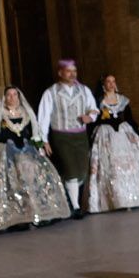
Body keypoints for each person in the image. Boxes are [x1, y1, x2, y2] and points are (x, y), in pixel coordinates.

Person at [0, 86, 71, 231]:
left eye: (15, 95)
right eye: (9, 95)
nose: (12, 98)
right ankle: (17, 217)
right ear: (4, 97)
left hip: (27, 150)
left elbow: (34, 133)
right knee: (12, 181)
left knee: (37, 177)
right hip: (6, 152)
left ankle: (36, 213)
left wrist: (40, 146)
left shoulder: (26, 113)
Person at [85, 75, 139, 214]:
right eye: (108, 81)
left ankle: (132, 198)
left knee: (130, 164)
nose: (111, 84)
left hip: (124, 133)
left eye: (113, 81)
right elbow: (94, 121)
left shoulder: (123, 100)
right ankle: (114, 200)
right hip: (106, 134)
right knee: (111, 166)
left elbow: (130, 119)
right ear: (103, 85)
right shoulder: (98, 101)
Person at [37, 59, 97, 217]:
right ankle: (75, 207)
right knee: (70, 169)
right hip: (61, 136)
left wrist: (90, 117)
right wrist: (44, 139)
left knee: (82, 170)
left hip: (80, 136)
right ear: (60, 73)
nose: (72, 74)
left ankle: (70, 199)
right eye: (69, 71)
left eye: (74, 71)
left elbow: (94, 108)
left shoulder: (84, 90)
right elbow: (44, 117)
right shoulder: (51, 92)